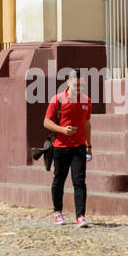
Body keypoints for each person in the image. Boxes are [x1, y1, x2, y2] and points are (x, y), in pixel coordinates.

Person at [44, 72, 92, 227]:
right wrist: (62, 130)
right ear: (68, 82)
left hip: (79, 147)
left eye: (81, 85)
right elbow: (46, 122)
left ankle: (81, 216)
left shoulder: (86, 101)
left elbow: (87, 123)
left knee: (79, 181)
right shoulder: (57, 100)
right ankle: (57, 211)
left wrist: (89, 145)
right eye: (76, 85)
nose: (79, 88)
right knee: (59, 179)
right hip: (60, 146)